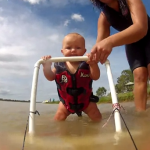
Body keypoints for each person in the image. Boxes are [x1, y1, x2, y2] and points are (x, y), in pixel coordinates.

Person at [89, 0, 150, 112]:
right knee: (139, 75)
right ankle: (141, 116)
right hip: (132, 42)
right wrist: (91, 59)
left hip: (148, 34)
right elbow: (99, 45)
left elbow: (141, 28)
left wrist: (110, 41)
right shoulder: (104, 17)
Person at [41, 33, 102, 122]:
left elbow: (95, 76)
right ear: (62, 51)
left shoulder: (87, 64)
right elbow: (50, 77)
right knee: (58, 118)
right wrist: (46, 67)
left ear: (84, 51)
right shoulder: (59, 65)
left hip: (86, 101)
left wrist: (93, 64)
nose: (73, 50)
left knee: (96, 116)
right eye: (68, 48)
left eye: (78, 48)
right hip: (66, 102)